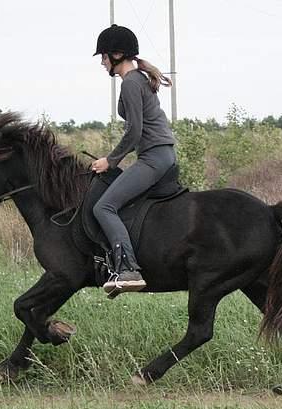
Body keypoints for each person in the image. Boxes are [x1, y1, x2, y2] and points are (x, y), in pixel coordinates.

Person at [92, 24, 176, 297]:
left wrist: (111, 161)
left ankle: (128, 269)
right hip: (160, 155)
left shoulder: (131, 81)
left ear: (117, 54)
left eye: (104, 56)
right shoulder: (135, 79)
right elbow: (126, 114)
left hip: (154, 157)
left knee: (104, 207)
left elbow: (134, 131)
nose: (102, 62)